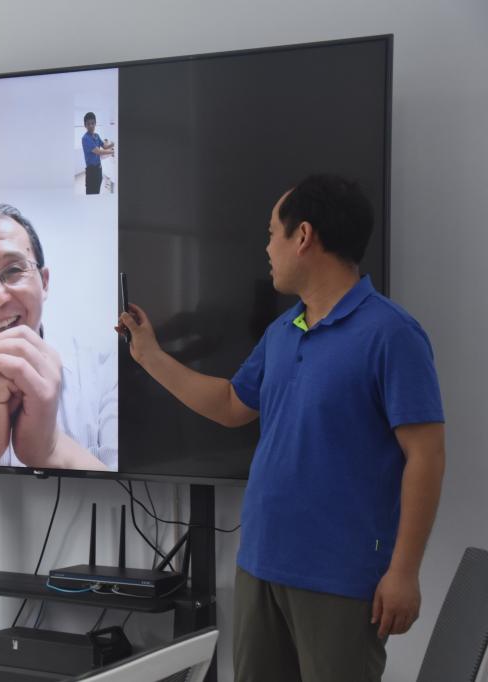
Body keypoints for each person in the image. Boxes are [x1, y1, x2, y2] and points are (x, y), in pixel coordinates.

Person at [118, 175, 445, 681]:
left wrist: (404, 572)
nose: (267, 248)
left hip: (340, 577)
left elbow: (426, 456)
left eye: (273, 233)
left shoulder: (392, 334)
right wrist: (149, 356)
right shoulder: (283, 330)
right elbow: (232, 404)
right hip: (260, 565)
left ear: (303, 236)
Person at [0, 204, 116, 471]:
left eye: (13, 271)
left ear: (44, 282)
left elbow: (137, 492)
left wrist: (53, 449)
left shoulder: (107, 374)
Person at [81, 112, 114, 195]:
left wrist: (113, 144)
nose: (91, 126)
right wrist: (112, 152)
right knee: (91, 193)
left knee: (97, 190)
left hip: (99, 168)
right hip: (91, 171)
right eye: (88, 124)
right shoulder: (85, 138)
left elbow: (104, 146)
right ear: (85, 125)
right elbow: (99, 152)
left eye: (92, 123)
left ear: (95, 123)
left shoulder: (97, 136)